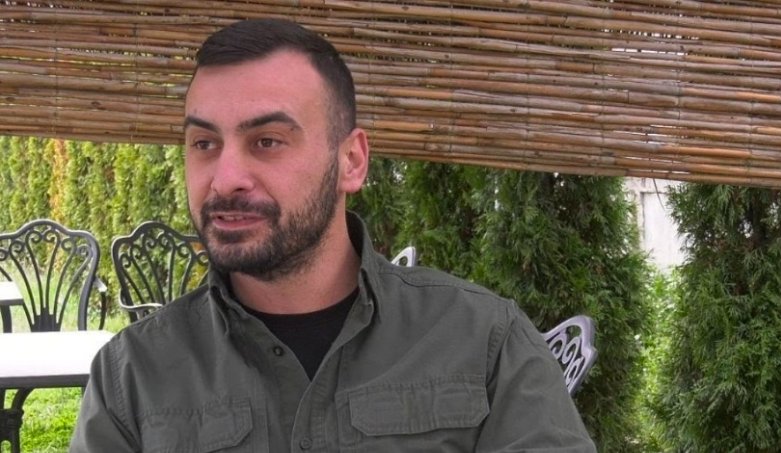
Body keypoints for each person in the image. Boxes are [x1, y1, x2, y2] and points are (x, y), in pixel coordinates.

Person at [70, 18, 596, 452]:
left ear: (351, 161)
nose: (225, 178)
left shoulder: (483, 343)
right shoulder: (133, 377)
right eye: (204, 143)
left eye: (267, 141)